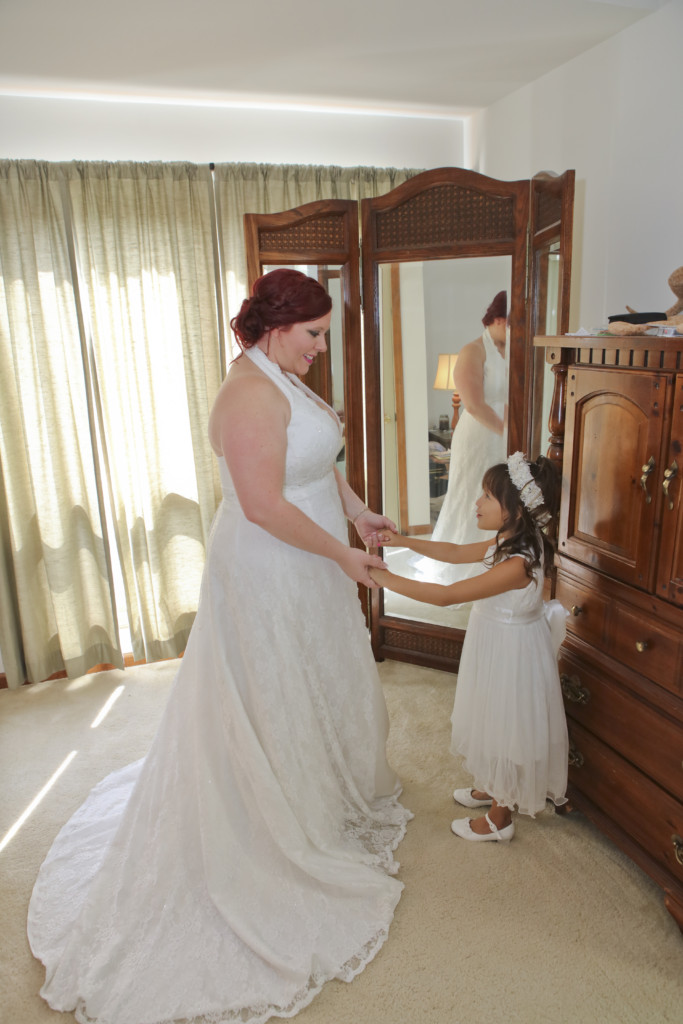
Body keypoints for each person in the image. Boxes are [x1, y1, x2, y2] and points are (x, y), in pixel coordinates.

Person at [28, 269, 411, 1024]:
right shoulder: (246, 395)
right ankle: (272, 822)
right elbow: (264, 506)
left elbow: (318, 462)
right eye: (313, 335)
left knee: (315, 680)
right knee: (271, 688)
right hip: (270, 564)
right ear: (276, 329)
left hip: (312, 556)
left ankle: (318, 799)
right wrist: (341, 556)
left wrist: (358, 513)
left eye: (324, 334)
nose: (320, 349)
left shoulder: (285, 376)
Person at [370, 452, 568, 843]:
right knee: (489, 715)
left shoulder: (520, 563)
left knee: (506, 724)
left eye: (487, 497)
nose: (476, 503)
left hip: (512, 656)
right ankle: (495, 786)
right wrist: (402, 542)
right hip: (495, 644)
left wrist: (382, 578)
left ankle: (501, 817)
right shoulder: (507, 541)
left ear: (514, 511)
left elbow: (447, 596)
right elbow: (457, 553)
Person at [413, 290, 508, 586]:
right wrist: (508, 432)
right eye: (514, 322)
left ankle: (501, 559)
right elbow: (473, 403)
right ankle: (466, 562)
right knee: (473, 493)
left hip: (509, 429)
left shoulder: (515, 349)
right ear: (498, 318)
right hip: (481, 432)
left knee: (506, 495)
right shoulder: (473, 350)